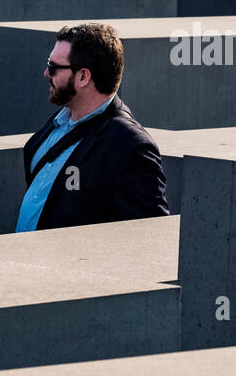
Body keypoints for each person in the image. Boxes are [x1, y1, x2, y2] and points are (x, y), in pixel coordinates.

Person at [17, 23, 169, 232]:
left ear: (83, 77)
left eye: (53, 67)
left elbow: (150, 235)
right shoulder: (59, 122)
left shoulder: (131, 148)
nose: (46, 73)